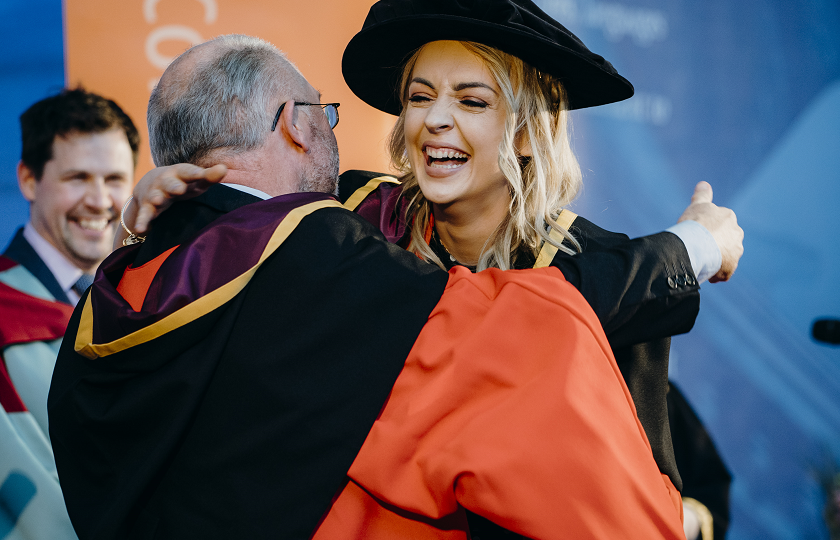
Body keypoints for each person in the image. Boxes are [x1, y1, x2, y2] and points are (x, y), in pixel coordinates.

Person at [129, 3, 743, 530]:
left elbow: (623, 489)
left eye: (471, 100)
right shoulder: (346, 221)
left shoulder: (605, 271)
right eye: (420, 96)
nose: (435, 119)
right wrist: (181, 213)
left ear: (528, 132)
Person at [0, 88, 138, 540]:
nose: (100, 201)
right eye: (78, 177)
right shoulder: (4, 314)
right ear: (27, 180)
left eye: (115, 179)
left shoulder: (151, 303)